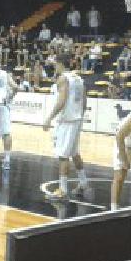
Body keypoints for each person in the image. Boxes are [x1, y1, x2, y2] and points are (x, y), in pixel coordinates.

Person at [43, 54, 89, 200]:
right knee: (74, 153)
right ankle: (83, 182)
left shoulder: (63, 78)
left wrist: (49, 118)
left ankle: (62, 190)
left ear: (61, 64)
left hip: (67, 120)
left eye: (55, 64)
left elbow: (61, 101)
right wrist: (79, 115)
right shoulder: (79, 78)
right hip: (77, 119)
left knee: (63, 155)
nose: (54, 66)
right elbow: (85, 101)